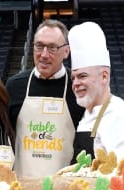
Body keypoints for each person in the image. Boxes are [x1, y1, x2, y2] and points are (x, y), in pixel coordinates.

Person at [6, 19, 84, 177]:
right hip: (22, 183)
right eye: (39, 46)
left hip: (64, 187)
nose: (44, 55)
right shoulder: (15, 85)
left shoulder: (78, 87)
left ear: (66, 51)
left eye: (52, 48)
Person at [68, 21, 124, 163]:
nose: (76, 83)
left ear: (104, 76)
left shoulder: (123, 117)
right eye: (73, 78)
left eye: (83, 76)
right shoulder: (85, 116)